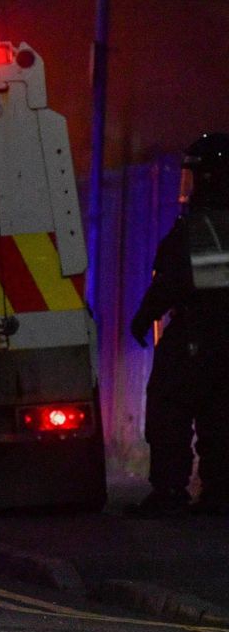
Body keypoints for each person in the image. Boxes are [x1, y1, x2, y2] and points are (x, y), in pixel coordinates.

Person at [128, 132, 229, 518]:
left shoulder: (203, 228)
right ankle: (220, 492)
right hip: (217, 337)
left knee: (169, 411)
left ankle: (170, 491)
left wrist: (143, 317)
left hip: (198, 337)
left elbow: (171, 280)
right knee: (220, 417)